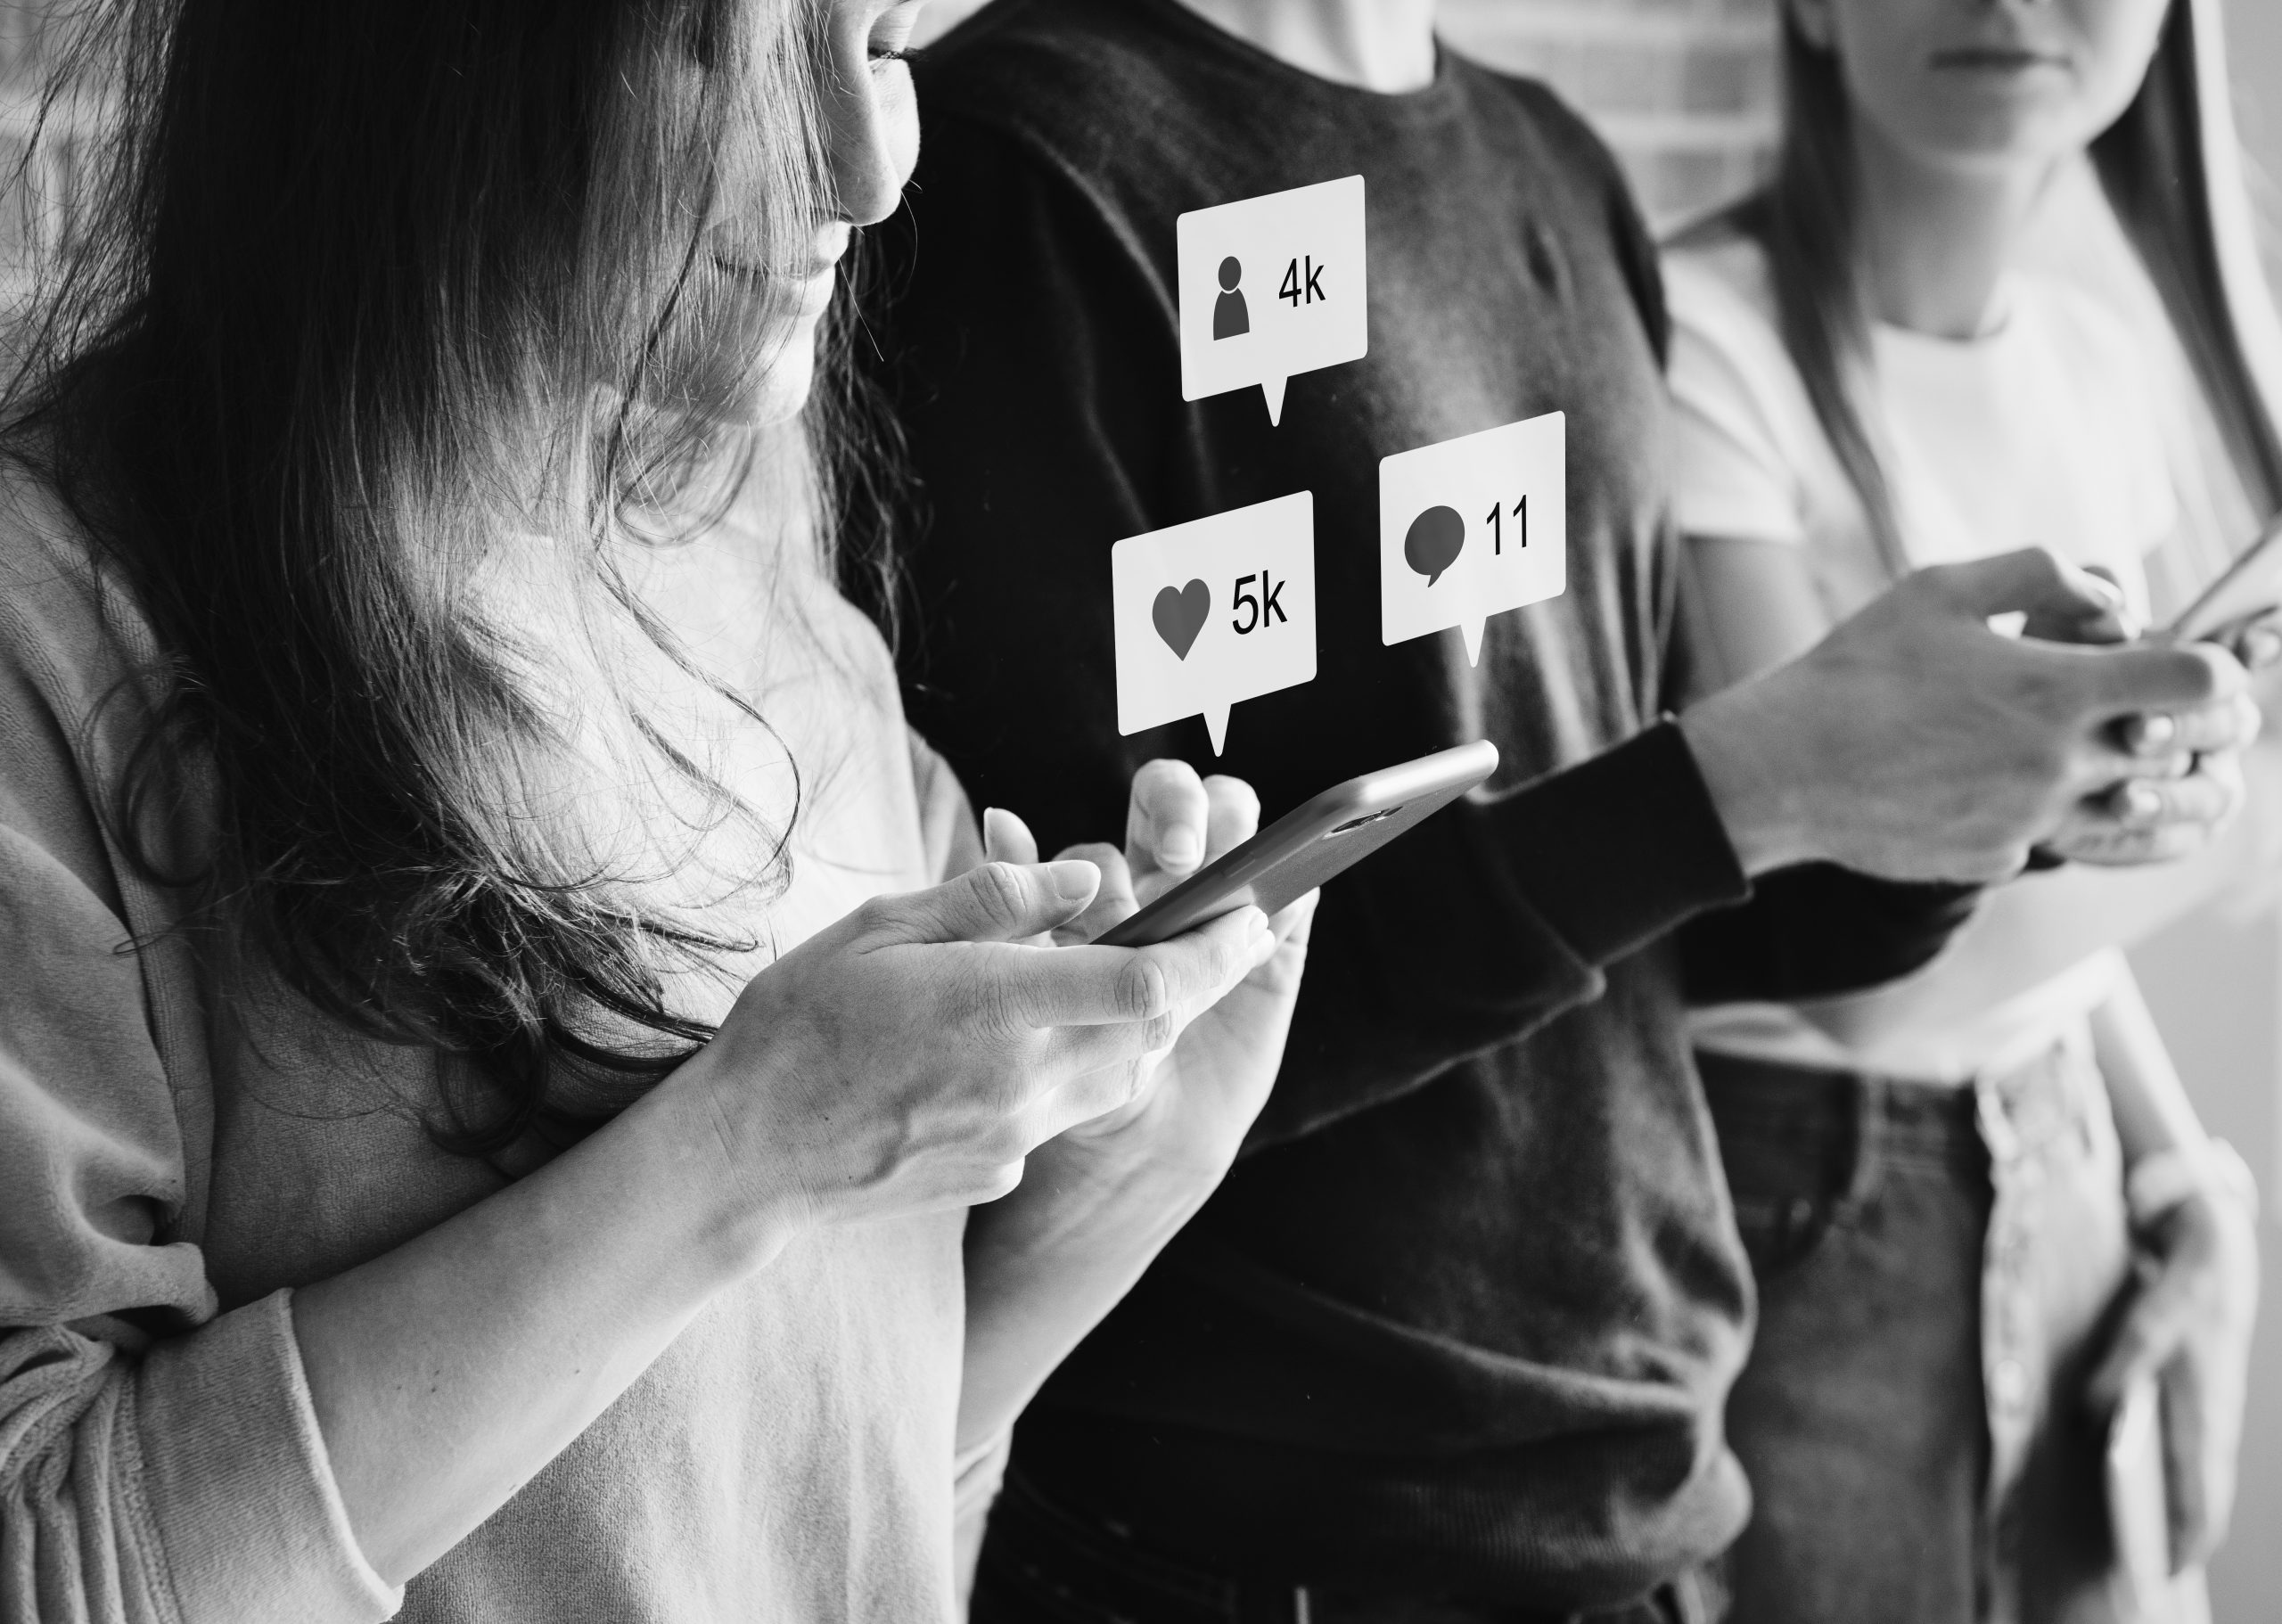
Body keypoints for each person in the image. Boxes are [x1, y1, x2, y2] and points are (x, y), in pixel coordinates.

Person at [865, 0, 2263, 1618]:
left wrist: (1969, 794)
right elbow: (1082, 1034)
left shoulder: (1552, 167)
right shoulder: (1021, 167)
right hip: (1264, 1554)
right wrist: (1753, 778)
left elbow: (1650, 912)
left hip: (1638, 1497)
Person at [0, 1, 1322, 1620]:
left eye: (887, 43)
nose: (869, 169)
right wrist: (751, 1140)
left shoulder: (764, 572)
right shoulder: (46, 634)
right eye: (747, 48)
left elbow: (827, 1501)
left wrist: (1119, 1191)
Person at [1662, 0, 2268, 1619]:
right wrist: (2242, 814)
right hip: (1800, 1208)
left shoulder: (2098, 364)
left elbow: (2042, 898)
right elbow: (1859, 962)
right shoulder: (1701, 341)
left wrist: (2187, 1182)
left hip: (2071, 1168)